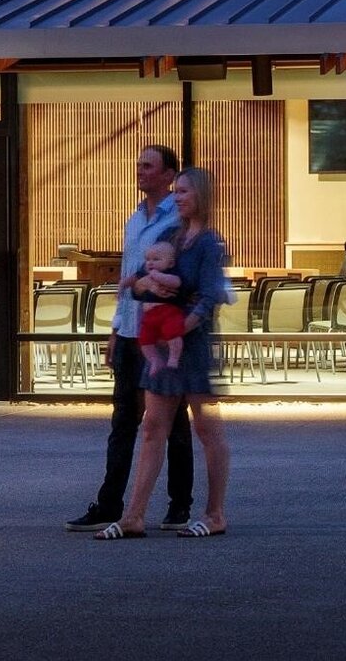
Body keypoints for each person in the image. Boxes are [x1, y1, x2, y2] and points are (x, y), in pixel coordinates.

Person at [65, 142, 197, 534]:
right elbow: (126, 278)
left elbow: (178, 280)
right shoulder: (134, 219)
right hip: (130, 332)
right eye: (138, 165)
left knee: (171, 422)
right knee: (123, 420)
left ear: (170, 175)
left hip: (161, 330)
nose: (140, 171)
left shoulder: (180, 220)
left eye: (148, 166)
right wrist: (114, 330)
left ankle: (179, 505)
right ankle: (109, 504)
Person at [96, 166, 232, 540]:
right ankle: (134, 516)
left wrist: (179, 326)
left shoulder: (210, 244)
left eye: (184, 191)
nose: (177, 197)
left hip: (193, 346)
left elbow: (209, 298)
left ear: (201, 195)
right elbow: (138, 283)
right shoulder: (172, 237)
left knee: (206, 428)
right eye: (176, 191)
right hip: (162, 342)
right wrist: (144, 287)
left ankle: (215, 513)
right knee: (153, 427)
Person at [133, 240, 186, 374]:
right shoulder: (146, 274)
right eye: (148, 259)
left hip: (168, 312)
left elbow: (176, 282)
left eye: (156, 259)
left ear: (170, 263)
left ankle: (174, 358)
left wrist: (158, 276)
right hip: (149, 315)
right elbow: (135, 286)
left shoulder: (171, 272)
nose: (150, 262)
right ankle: (154, 360)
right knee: (144, 340)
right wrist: (124, 284)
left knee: (173, 335)